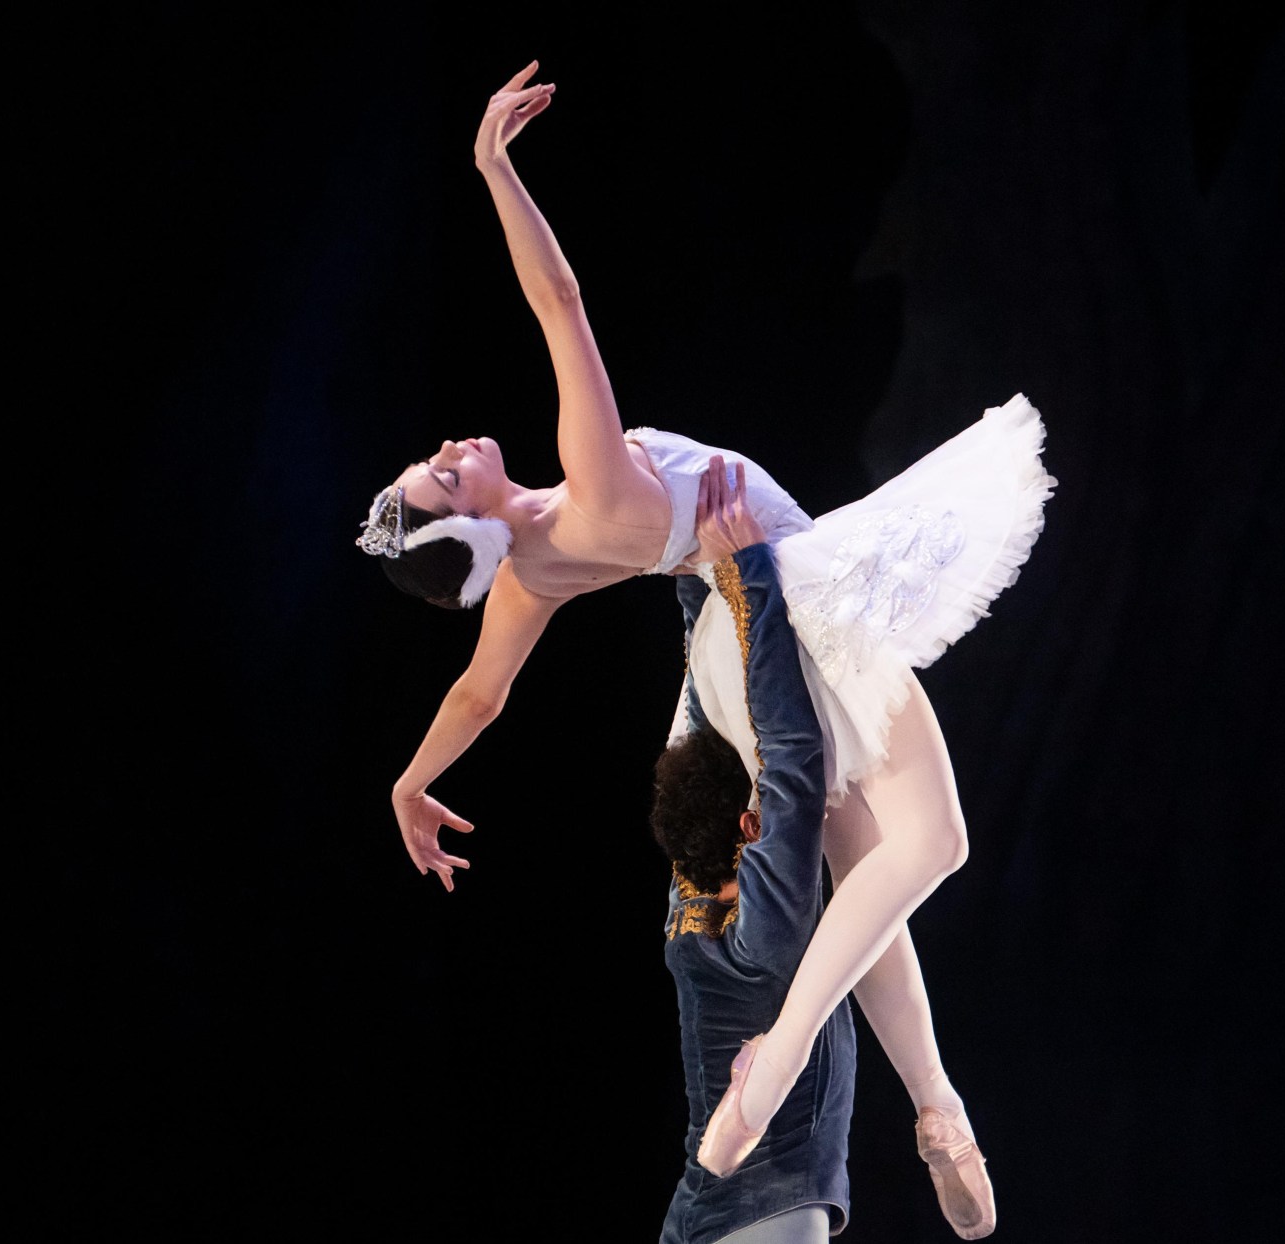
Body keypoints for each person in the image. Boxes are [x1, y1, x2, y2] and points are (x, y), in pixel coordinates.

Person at [364, 64, 1044, 1237]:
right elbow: (559, 301)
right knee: (932, 839)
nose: (449, 447)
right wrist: (492, 169)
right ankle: (778, 1066)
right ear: (462, 524)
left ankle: (939, 1112)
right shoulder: (587, 489)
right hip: (787, 608)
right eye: (440, 473)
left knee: (865, 877)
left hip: (729, 651)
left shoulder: (531, 574)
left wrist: (410, 780)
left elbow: (479, 694)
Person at [653, 468, 853, 1244]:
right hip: (764, 1210)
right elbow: (790, 754)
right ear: (748, 824)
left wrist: (698, 582)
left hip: (704, 1207)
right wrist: (749, 576)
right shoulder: (763, 937)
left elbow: (701, 719)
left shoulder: (692, 897)